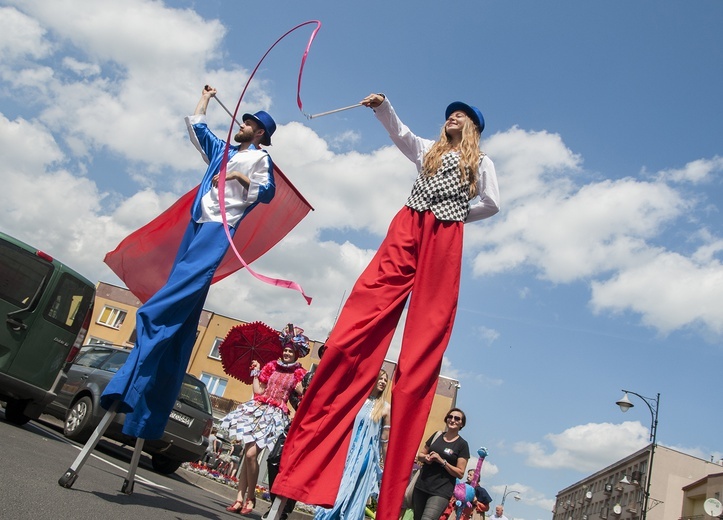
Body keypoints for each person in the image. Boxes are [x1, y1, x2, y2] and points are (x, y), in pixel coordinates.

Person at [272, 93, 500, 520]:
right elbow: (402, 135)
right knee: (367, 306)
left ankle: (389, 507)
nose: (452, 116)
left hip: (445, 234)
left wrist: (454, 215)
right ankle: (300, 478)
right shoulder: (429, 152)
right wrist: (383, 107)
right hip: (409, 223)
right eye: (450, 112)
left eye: (462, 116)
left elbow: (491, 202)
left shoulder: (481, 163)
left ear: (471, 129)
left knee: (424, 339)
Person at [100, 85, 277, 440]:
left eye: (248, 123)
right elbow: (198, 129)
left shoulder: (259, 159)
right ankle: (147, 405)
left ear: (259, 132)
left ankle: (145, 328)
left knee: (173, 295)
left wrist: (236, 177)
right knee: (180, 307)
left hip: (219, 228)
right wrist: (206, 98)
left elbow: (268, 192)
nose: (241, 125)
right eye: (242, 121)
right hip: (197, 224)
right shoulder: (223, 151)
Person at [222, 326, 309, 515]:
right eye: (285, 350)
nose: (286, 353)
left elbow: (303, 395)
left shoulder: (298, 373)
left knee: (252, 454)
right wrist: (255, 372)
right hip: (259, 408)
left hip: (276, 414)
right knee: (247, 453)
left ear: (296, 354)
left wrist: (298, 404)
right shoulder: (271, 366)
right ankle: (239, 499)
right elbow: (259, 391)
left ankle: (251, 497)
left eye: (290, 351)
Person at [315, 370, 391, 520]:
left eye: (385, 380)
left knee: (352, 487)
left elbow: (384, 438)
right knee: (337, 485)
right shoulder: (359, 399)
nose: (382, 382)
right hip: (347, 450)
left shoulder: (385, 408)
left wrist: (386, 461)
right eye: (380, 378)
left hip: (366, 454)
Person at [412, 408, 470, 520]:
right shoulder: (437, 436)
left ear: (461, 424)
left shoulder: (462, 445)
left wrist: (442, 461)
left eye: (457, 418)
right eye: (450, 417)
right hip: (422, 486)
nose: (452, 420)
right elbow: (420, 455)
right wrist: (426, 457)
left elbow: (460, 472)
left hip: (441, 491)